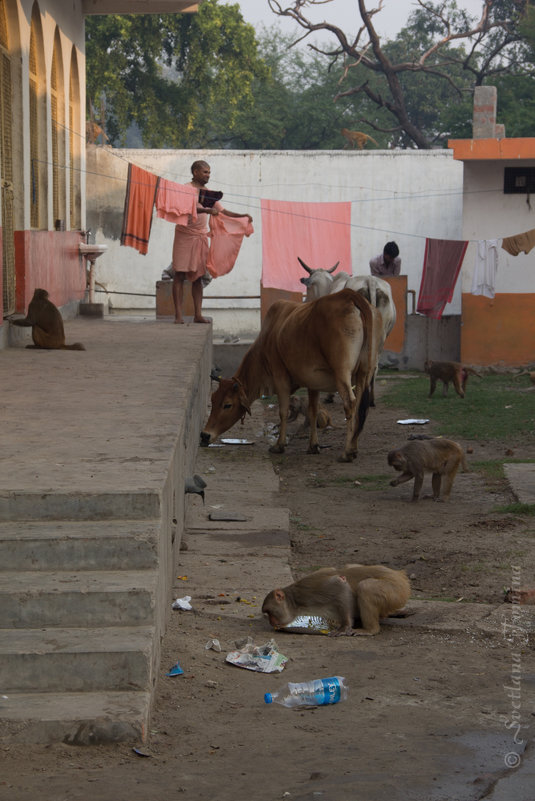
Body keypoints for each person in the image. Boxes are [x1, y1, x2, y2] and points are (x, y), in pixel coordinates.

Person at [172, 160, 252, 324]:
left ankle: (198, 315)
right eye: (205, 172)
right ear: (195, 172)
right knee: (179, 275)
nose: (208, 175)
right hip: (184, 236)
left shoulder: (209, 194)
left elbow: (223, 211)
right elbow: (186, 208)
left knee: (199, 277)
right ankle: (178, 315)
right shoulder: (186, 188)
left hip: (201, 237)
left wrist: (242, 216)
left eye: (209, 172)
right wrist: (206, 210)